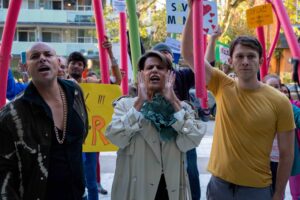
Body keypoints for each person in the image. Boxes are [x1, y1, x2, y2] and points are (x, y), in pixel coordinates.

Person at [182, 3, 295, 199]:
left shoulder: (280, 101)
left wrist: (278, 193)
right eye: (240, 56)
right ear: (231, 61)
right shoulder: (221, 84)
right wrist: (193, 10)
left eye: (251, 56)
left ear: (260, 62)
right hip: (219, 186)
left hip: (257, 189)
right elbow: (190, 54)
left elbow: (286, 155)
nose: (245, 61)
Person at [105, 50, 205, 200]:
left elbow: (193, 139)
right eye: (149, 67)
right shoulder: (125, 106)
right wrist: (140, 102)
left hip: (170, 190)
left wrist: (173, 102)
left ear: (170, 75)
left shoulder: (183, 108)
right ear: (141, 74)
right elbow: (115, 137)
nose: (154, 70)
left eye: (160, 67)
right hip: (136, 191)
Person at [0, 42, 88, 200]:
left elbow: (82, 135)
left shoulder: (75, 92)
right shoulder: (12, 115)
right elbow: (4, 174)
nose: (42, 59)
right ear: (26, 67)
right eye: (35, 57)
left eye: (48, 55)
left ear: (58, 62)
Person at [152, 42, 202, 199]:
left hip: (183, 129)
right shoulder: (150, 79)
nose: (164, 56)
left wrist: (211, 39)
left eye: (167, 52)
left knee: (190, 169)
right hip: (160, 135)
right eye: (159, 54)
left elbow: (202, 67)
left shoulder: (182, 75)